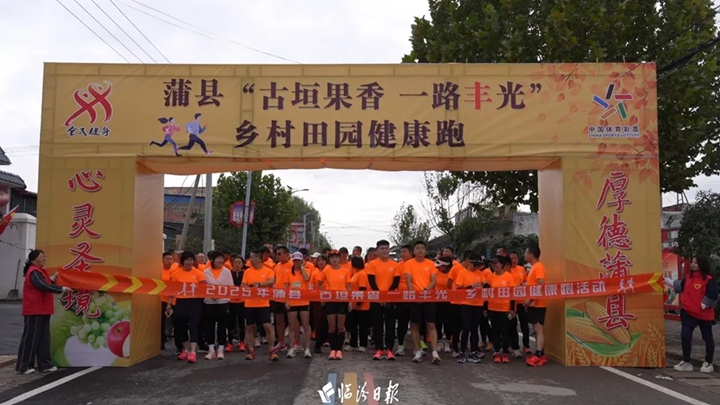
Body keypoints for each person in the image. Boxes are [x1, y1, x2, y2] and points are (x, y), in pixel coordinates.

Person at [15, 250, 69, 374]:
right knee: (31, 338)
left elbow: (45, 282)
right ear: (33, 260)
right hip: (34, 310)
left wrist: (53, 278)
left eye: (44, 257)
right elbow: (43, 286)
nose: (44, 259)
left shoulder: (39, 272)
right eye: (41, 257)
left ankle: (45, 364)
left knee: (44, 338)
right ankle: (24, 366)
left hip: (43, 309)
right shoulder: (34, 272)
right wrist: (62, 289)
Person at [666, 254, 717, 373]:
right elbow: (681, 286)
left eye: (696, 263)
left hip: (703, 314)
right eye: (692, 262)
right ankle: (686, 361)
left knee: (707, 337)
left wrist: (704, 304)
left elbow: (713, 295)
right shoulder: (689, 277)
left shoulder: (708, 279)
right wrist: (668, 281)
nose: (693, 265)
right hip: (688, 312)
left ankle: (708, 362)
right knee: (685, 336)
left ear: (702, 264)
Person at [404, 241, 441, 364]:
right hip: (414, 298)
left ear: (425, 251)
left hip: (428, 298)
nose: (420, 250)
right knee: (415, 325)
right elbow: (408, 280)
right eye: (417, 248)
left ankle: (435, 352)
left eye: (422, 248)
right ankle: (417, 351)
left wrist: (425, 291)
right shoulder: (409, 263)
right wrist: (414, 295)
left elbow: (433, 280)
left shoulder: (430, 264)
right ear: (414, 251)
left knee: (431, 325)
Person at [168, 250, 207, 363]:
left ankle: (193, 352)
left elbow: (205, 288)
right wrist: (169, 303)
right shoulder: (176, 274)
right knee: (181, 328)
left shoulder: (199, 273)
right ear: (182, 261)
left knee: (193, 327)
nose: (189, 262)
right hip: (180, 303)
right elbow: (172, 290)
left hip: (194, 303)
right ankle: (186, 349)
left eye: (191, 260)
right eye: (187, 260)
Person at [366, 239, 402, 360]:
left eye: (386, 248)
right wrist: (380, 296)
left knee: (390, 325)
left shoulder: (395, 265)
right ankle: (379, 349)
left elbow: (395, 282)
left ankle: (389, 349)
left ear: (389, 249)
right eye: (382, 249)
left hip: (390, 299)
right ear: (377, 250)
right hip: (376, 299)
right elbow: (372, 282)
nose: (384, 251)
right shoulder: (372, 264)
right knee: (377, 326)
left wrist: (386, 296)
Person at [242, 250, 279, 361]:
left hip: (263, 303)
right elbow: (243, 285)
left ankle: (272, 350)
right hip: (249, 304)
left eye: (252, 257)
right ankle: (251, 350)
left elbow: (271, 281)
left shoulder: (268, 270)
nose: (249, 260)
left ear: (258, 259)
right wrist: (249, 287)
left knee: (267, 326)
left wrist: (260, 284)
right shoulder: (247, 271)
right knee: (249, 327)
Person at [317, 250, 352, 360]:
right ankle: (333, 350)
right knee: (332, 327)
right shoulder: (326, 270)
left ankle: (339, 350)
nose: (334, 259)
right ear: (329, 259)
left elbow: (348, 286)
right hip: (330, 301)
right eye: (332, 257)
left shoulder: (345, 271)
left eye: (336, 257)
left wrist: (350, 301)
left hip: (342, 301)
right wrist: (324, 294)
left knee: (340, 327)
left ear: (339, 258)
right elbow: (319, 284)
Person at [454, 254, 487, 363]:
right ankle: (462, 351)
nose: (476, 267)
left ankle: (473, 351)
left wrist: (482, 286)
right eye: (475, 265)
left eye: (478, 265)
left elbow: (486, 285)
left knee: (474, 328)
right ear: (470, 263)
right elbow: (459, 289)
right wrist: (471, 287)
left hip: (478, 304)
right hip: (466, 304)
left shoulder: (480, 273)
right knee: (466, 328)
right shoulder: (462, 273)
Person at [484, 255, 517, 363]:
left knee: (505, 331)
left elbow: (512, 293)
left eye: (496, 263)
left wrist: (512, 308)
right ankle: (497, 351)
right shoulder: (490, 277)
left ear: (502, 264)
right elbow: (486, 293)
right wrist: (485, 308)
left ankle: (504, 352)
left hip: (504, 309)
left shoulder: (508, 277)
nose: (494, 265)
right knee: (495, 331)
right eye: (492, 263)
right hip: (492, 308)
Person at [202, 251, 233, 360]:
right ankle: (211, 350)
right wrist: (212, 295)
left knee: (222, 326)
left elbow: (230, 286)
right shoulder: (205, 272)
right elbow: (203, 287)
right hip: (209, 302)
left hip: (223, 302)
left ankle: (220, 349)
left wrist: (222, 295)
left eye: (221, 258)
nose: (220, 260)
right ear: (212, 260)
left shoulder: (227, 272)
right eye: (218, 258)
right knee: (209, 326)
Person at [284, 252, 313, 359]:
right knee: (291, 326)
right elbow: (286, 288)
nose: (296, 262)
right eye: (295, 260)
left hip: (304, 302)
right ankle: (292, 348)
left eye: (298, 260)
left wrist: (302, 269)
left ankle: (307, 349)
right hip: (292, 302)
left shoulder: (306, 270)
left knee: (306, 326)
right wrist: (286, 301)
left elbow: (307, 279)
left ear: (302, 261)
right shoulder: (288, 272)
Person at [524, 245, 548, 367]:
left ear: (531, 254)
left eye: (526, 252)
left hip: (538, 304)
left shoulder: (538, 267)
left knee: (538, 329)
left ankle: (538, 355)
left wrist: (530, 300)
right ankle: (541, 354)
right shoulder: (534, 267)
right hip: (534, 304)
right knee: (536, 329)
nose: (524, 255)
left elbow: (541, 285)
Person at [447, 251, 471, 357]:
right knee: (456, 326)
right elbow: (449, 283)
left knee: (465, 326)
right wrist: (455, 292)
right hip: (455, 302)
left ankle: (463, 345)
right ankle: (455, 347)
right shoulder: (455, 268)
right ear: (466, 259)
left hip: (467, 302)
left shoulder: (473, 271)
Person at [348, 256, 371, 352]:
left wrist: (358, 304)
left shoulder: (362, 274)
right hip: (354, 305)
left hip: (362, 306)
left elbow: (363, 289)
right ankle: (353, 344)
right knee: (352, 325)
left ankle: (363, 344)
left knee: (362, 326)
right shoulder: (356, 274)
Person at [508, 251, 529, 357]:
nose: (514, 260)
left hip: (521, 301)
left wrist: (524, 284)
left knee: (524, 323)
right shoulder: (507, 271)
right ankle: (514, 346)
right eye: (511, 258)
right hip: (511, 302)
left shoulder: (521, 269)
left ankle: (526, 345)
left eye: (515, 258)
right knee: (512, 325)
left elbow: (526, 281)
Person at [272, 246, 292, 351]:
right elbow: (274, 280)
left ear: (286, 254)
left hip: (290, 298)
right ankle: (281, 342)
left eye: (279, 254)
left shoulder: (293, 265)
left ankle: (295, 343)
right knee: (279, 322)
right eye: (276, 254)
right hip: (278, 297)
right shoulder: (277, 266)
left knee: (292, 322)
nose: (277, 256)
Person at [394, 244, 413, 356]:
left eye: (404, 252)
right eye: (401, 252)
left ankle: (418, 347)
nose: (402, 254)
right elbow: (396, 281)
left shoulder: (416, 264)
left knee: (416, 323)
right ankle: (401, 345)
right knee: (402, 323)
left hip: (415, 298)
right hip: (402, 298)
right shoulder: (399, 265)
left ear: (411, 252)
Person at [226, 255, 246, 352]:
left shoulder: (245, 274)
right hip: (231, 301)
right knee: (230, 322)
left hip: (242, 301)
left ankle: (242, 342)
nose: (237, 264)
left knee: (241, 322)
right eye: (235, 262)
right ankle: (230, 343)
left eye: (239, 262)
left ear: (242, 264)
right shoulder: (229, 274)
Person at [311, 255, 329, 353]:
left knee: (328, 320)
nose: (321, 262)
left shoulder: (329, 271)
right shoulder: (315, 273)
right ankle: (318, 341)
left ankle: (328, 339)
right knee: (318, 321)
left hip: (329, 299)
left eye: (323, 260)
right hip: (317, 299)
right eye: (319, 261)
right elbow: (311, 286)